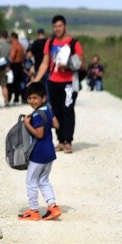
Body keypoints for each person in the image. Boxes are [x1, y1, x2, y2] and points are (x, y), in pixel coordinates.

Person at [32, 15, 85, 154]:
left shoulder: (73, 43)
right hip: (53, 82)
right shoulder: (49, 43)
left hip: (69, 83)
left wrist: (67, 65)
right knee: (56, 112)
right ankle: (60, 140)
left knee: (68, 110)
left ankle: (68, 141)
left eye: (60, 26)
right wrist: (36, 79)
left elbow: (80, 62)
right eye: (55, 26)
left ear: (65, 26)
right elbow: (45, 63)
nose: (58, 29)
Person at [18, 82, 62, 221]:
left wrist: (26, 123)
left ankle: (33, 210)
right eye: (30, 98)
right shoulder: (48, 109)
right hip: (49, 153)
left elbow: (39, 134)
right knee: (43, 180)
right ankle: (52, 207)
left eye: (35, 98)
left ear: (43, 98)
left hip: (38, 155)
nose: (32, 101)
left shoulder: (36, 116)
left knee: (31, 181)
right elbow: (56, 124)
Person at [9, 32, 25, 105]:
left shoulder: (14, 46)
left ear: (13, 38)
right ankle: (16, 99)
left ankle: (9, 99)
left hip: (14, 65)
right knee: (18, 83)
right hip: (20, 65)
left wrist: (9, 63)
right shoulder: (21, 46)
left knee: (11, 83)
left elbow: (12, 56)